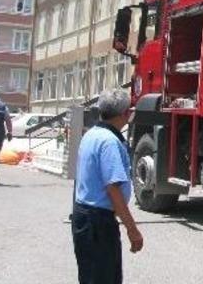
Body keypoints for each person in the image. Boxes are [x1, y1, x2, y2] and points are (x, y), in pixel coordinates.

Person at [72, 90, 143, 284]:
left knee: (90, 276)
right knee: (104, 278)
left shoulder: (91, 135)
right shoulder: (109, 142)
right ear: (124, 113)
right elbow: (113, 190)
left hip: (84, 217)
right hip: (98, 223)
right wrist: (132, 230)